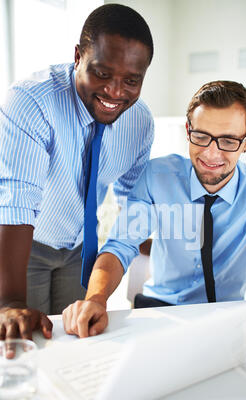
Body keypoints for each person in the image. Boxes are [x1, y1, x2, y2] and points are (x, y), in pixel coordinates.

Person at [62, 80, 246, 338]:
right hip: (160, 311)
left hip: (228, 317)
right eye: (201, 136)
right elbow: (120, 245)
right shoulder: (156, 175)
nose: (211, 154)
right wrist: (96, 298)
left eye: (228, 141)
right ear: (188, 131)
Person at [0, 4, 154, 341]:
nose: (115, 92)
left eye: (131, 80)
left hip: (81, 248)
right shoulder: (31, 101)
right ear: (77, 56)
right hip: (24, 244)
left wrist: (147, 244)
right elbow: (16, 198)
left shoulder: (140, 122)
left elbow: (135, 197)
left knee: (74, 339)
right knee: (25, 340)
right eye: (102, 73)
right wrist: (9, 301)